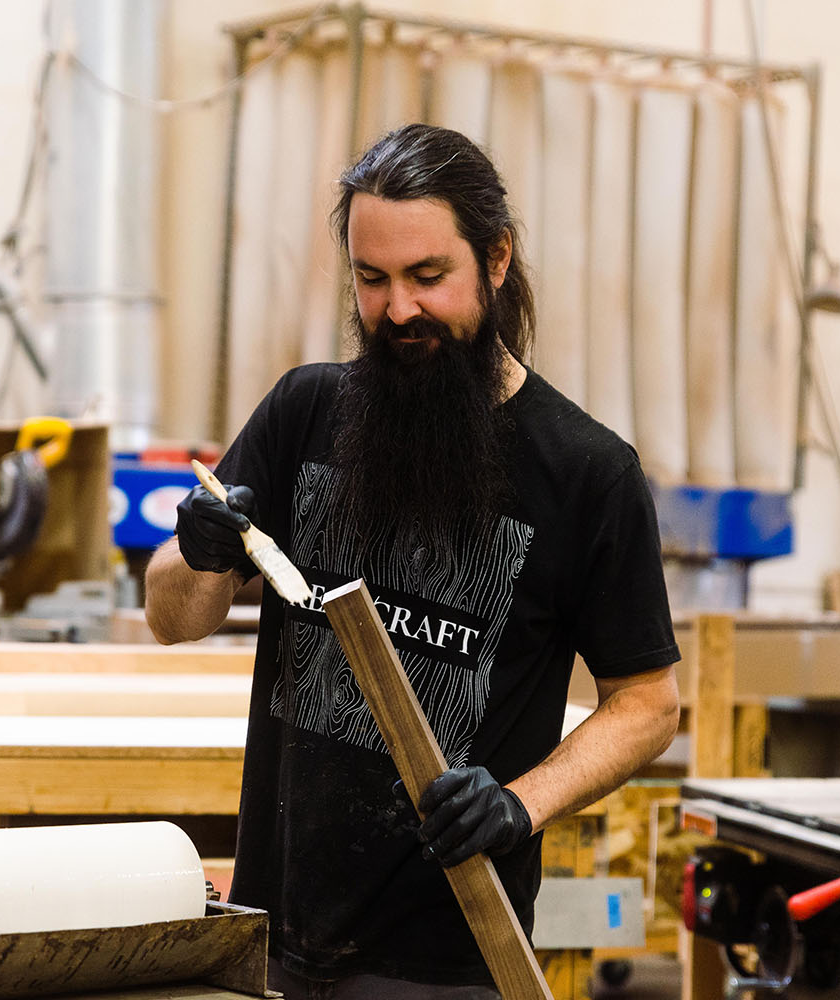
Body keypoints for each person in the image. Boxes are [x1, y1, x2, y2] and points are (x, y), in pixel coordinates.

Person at [145, 123, 680, 998]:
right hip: (276, 938)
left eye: (429, 278)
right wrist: (195, 553)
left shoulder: (587, 472)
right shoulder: (305, 411)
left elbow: (649, 705)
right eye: (372, 278)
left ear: (496, 260)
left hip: (451, 958)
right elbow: (175, 622)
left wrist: (519, 804)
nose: (398, 311)